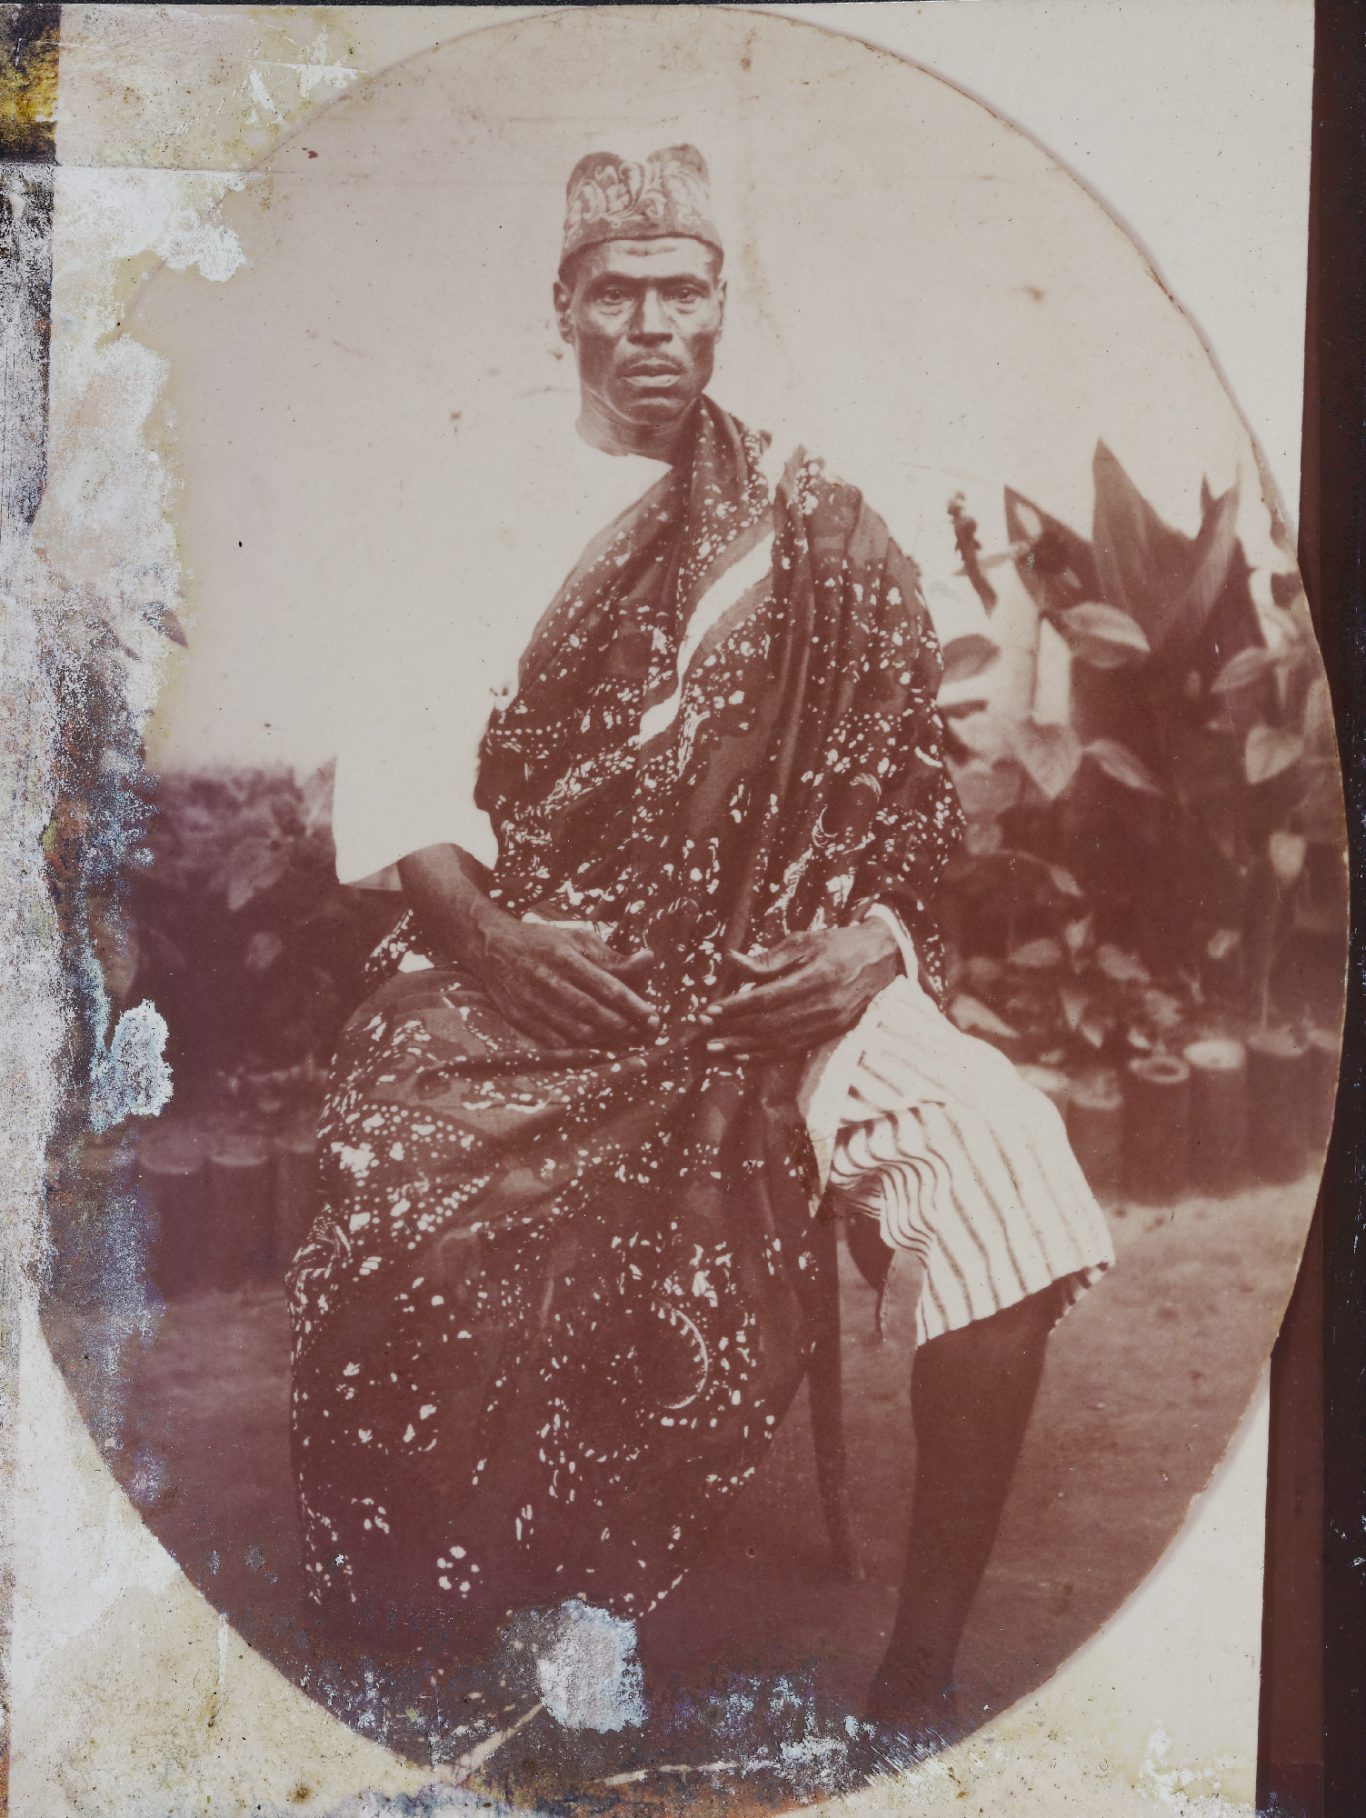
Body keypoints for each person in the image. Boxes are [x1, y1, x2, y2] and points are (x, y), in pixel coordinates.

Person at [288, 144, 1114, 1742]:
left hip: (782, 973)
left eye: (682, 291)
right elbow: (399, 780)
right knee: (403, 1175)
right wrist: (485, 930)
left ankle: (920, 1671)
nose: (651, 325)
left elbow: (902, 803)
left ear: (721, 303)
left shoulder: (807, 516)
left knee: (1007, 1158)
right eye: (617, 294)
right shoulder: (455, 497)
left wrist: (871, 942)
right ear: (563, 311)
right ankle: (484, 1607)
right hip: (541, 949)